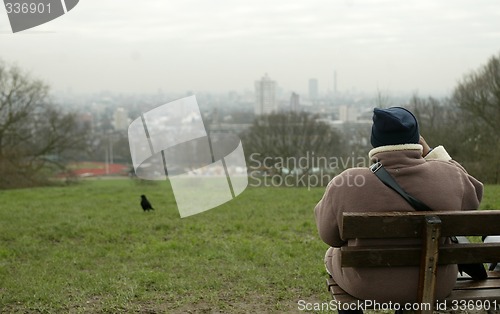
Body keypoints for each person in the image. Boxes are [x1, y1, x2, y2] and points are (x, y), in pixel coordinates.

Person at [314, 107, 483, 310]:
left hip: (367, 287)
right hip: (436, 283)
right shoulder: (450, 176)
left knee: (332, 254)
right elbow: (475, 196)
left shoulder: (347, 182)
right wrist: (431, 153)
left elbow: (329, 237)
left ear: (375, 142)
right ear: (416, 140)